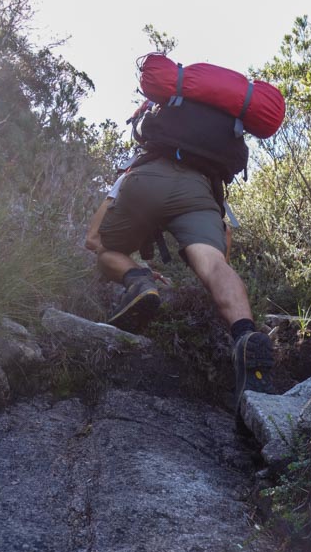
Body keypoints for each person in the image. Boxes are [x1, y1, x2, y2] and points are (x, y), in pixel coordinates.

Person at [85, 147, 274, 417]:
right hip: (198, 190)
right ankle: (245, 335)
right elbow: (226, 234)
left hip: (145, 181)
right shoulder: (205, 170)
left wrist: (139, 269)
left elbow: (92, 240)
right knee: (214, 265)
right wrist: (216, 282)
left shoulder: (136, 166)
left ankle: (139, 283)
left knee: (105, 250)